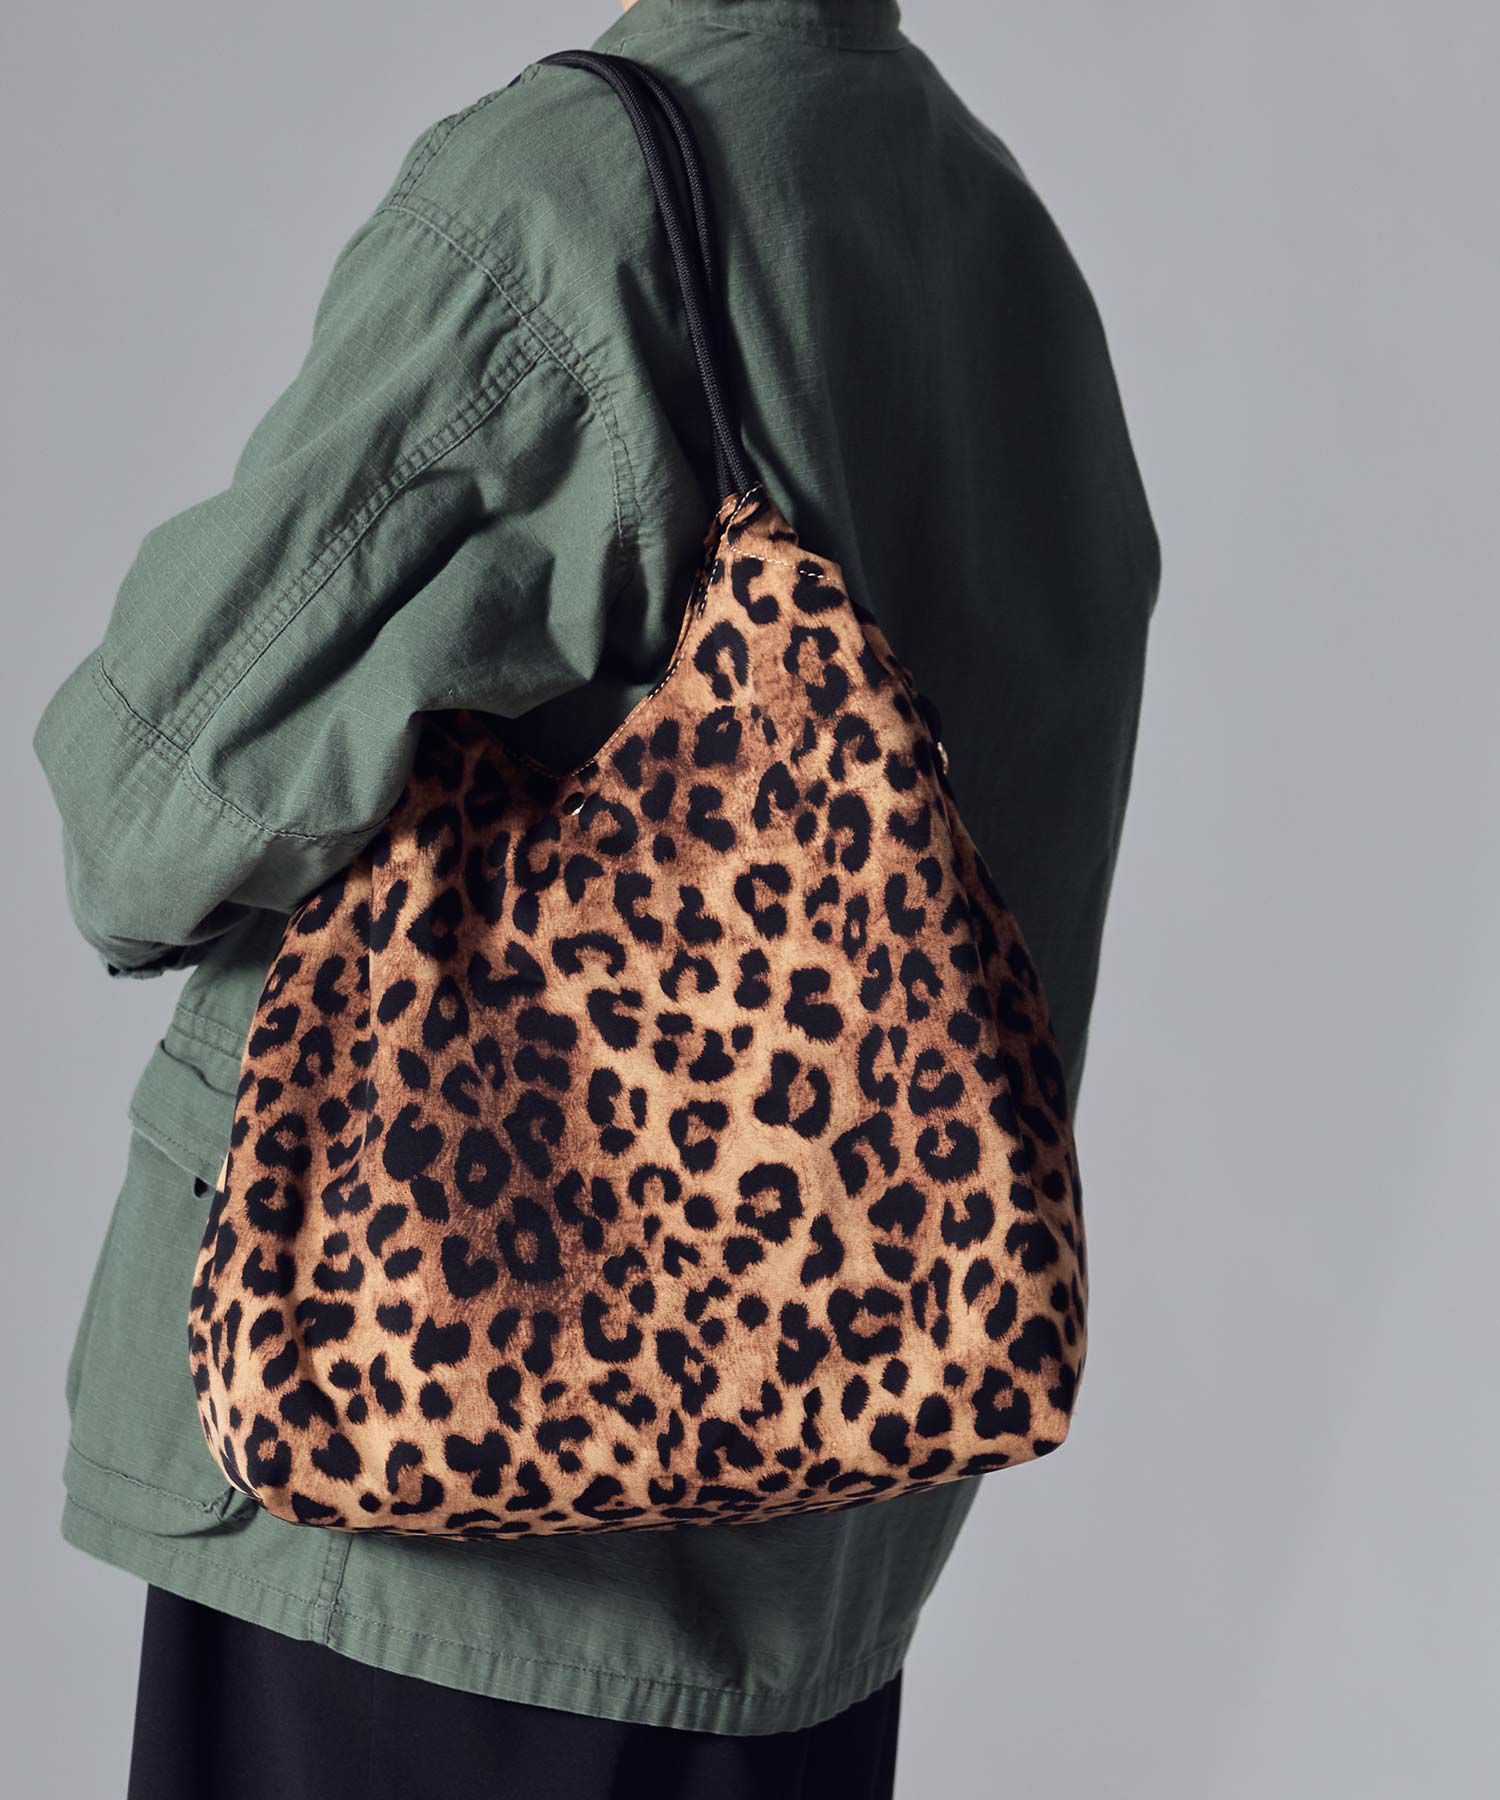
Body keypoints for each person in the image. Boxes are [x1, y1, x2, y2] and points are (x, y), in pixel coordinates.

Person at [35, 2, 1158, 1794]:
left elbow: (149, 808)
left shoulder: (572, 205)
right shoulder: (995, 238)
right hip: (811, 1567)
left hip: (423, 1516)